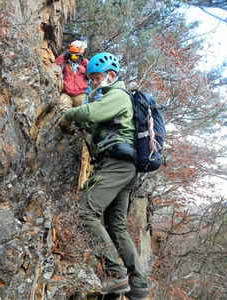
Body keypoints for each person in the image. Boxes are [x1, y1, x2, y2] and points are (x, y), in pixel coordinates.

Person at [59, 52, 150, 299]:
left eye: (97, 78)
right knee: (116, 225)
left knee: (84, 212)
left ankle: (116, 275)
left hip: (116, 166)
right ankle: (138, 285)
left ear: (111, 75)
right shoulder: (115, 100)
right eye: (91, 79)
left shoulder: (118, 95)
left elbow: (89, 113)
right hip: (125, 167)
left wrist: (66, 116)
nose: (94, 83)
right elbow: (96, 124)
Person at [55, 40, 89, 110]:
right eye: (73, 55)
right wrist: (65, 57)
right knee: (63, 110)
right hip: (66, 93)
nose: (75, 57)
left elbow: (92, 73)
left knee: (82, 113)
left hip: (81, 94)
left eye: (77, 55)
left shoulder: (85, 63)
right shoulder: (64, 60)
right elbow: (56, 64)